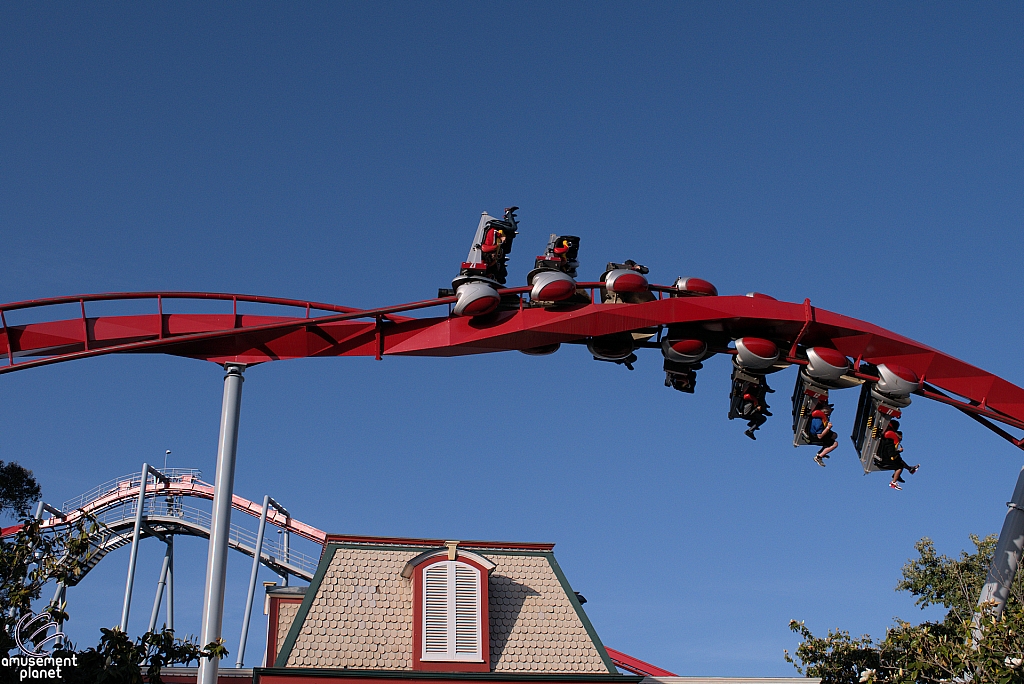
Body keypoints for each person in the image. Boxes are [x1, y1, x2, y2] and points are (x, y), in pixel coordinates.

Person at [872, 419, 920, 490]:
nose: (900, 440)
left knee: (899, 460)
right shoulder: (890, 442)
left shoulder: (886, 440)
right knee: (899, 467)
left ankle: (908, 470)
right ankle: (893, 482)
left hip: (882, 459)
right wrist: (899, 451)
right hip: (881, 461)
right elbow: (892, 454)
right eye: (900, 438)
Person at [807, 402, 838, 467]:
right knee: (835, 444)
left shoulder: (821, 417)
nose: (831, 410)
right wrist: (828, 428)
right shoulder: (818, 421)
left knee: (834, 435)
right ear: (826, 412)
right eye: (830, 410)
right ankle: (819, 457)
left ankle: (823, 450)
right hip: (815, 436)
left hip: (818, 432)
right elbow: (820, 436)